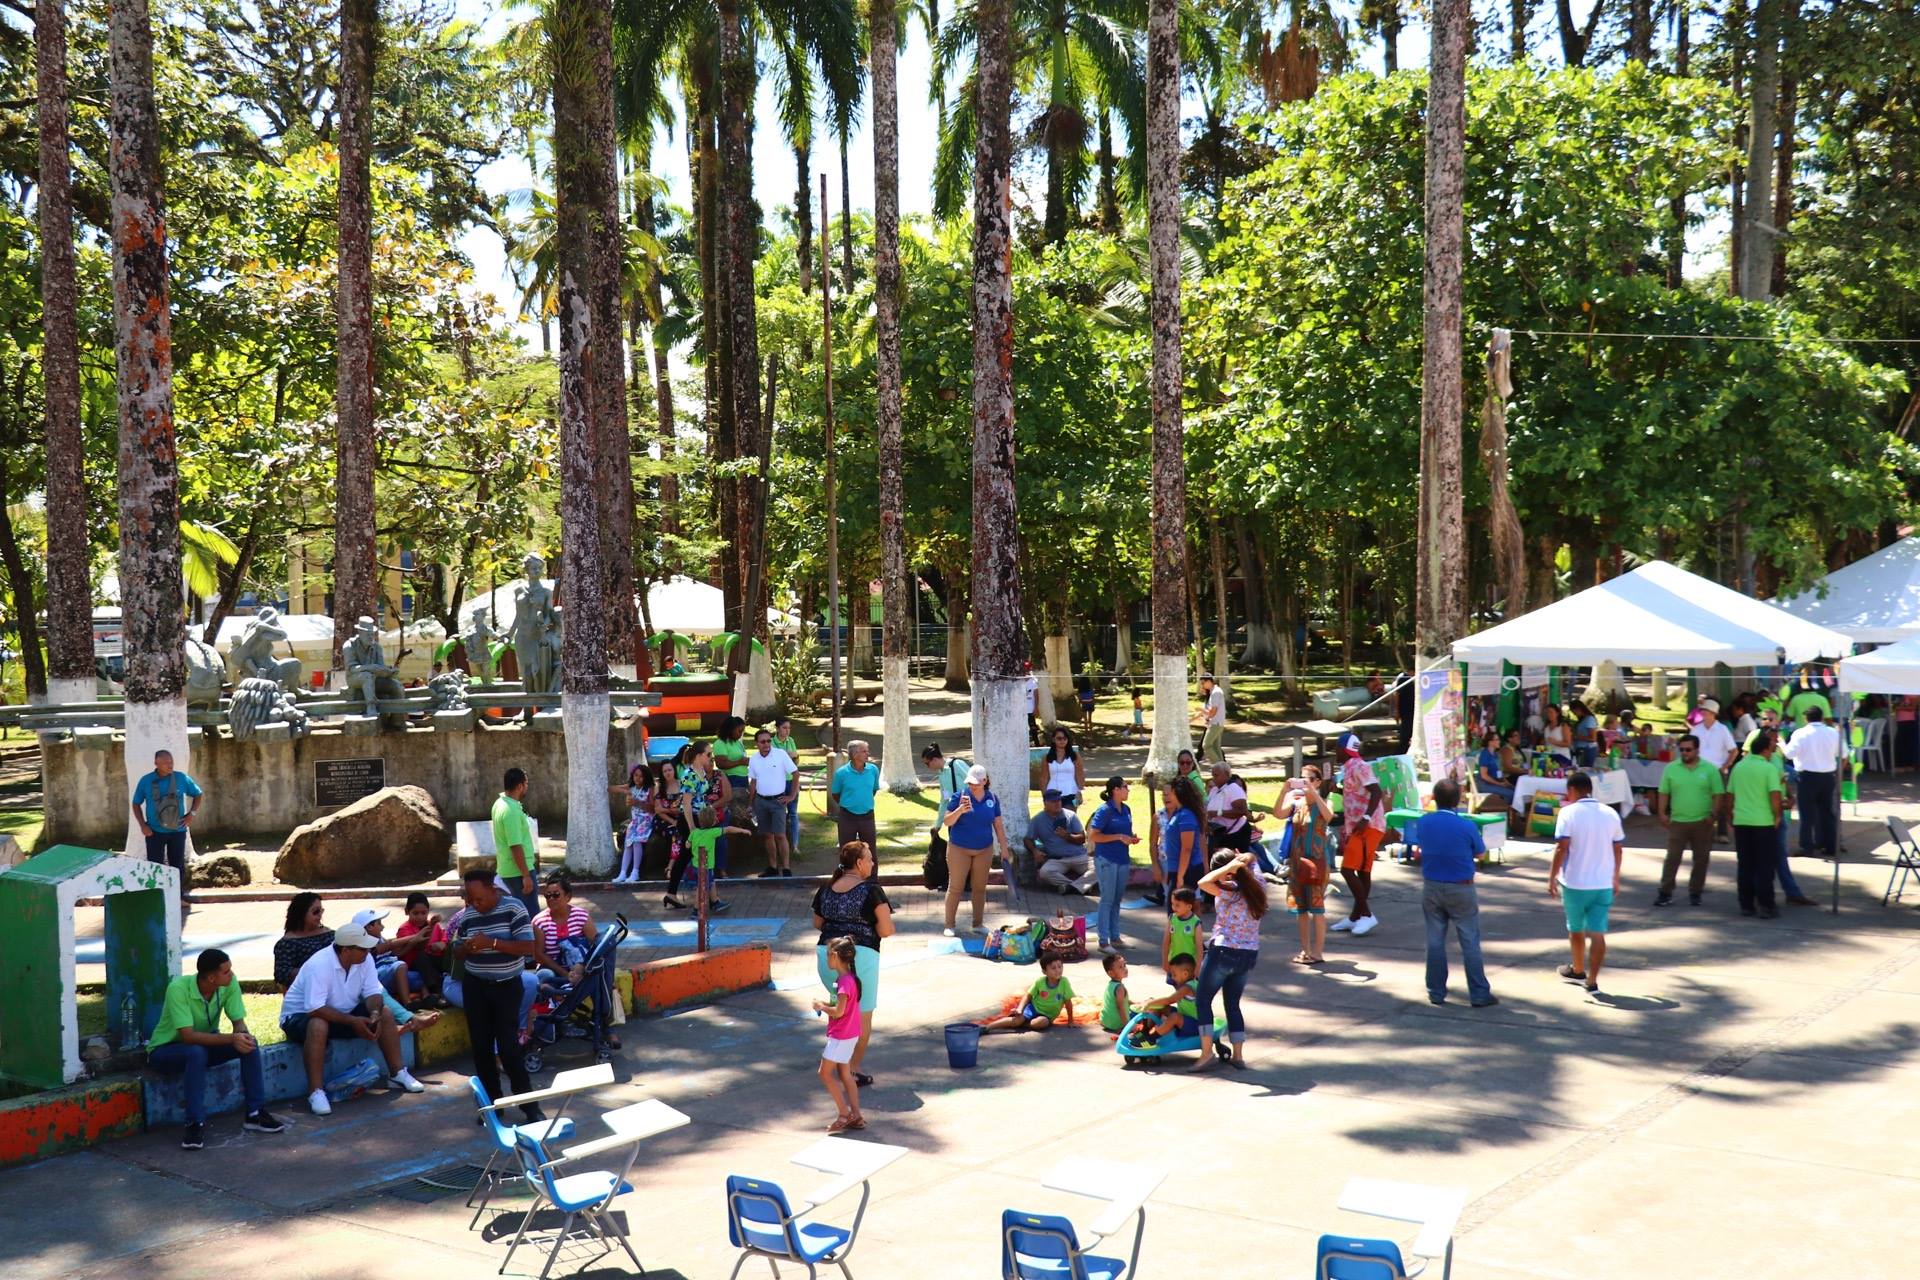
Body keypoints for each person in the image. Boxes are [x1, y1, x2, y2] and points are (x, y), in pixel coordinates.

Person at [147, 947, 287, 1150]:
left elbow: (238, 1021)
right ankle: (194, 1123)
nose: (231, 974)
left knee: (250, 1044)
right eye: (226, 971)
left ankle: (255, 1113)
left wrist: (242, 1036)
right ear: (211, 978)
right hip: (166, 1051)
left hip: (202, 1046)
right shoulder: (178, 989)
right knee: (196, 1052)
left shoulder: (229, 984)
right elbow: (188, 1036)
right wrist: (232, 1038)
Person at [279, 922, 423, 1117]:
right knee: (318, 1024)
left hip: (340, 1013)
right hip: (300, 1017)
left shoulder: (365, 960)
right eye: (363, 947)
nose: (368, 950)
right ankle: (316, 1092)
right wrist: (352, 1021)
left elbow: (373, 993)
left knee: (386, 1013)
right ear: (346, 950)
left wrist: (373, 1014)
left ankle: (397, 1073)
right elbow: (314, 1009)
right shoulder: (319, 964)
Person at [448, 868, 545, 1123]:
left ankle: (529, 1105)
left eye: (479, 898)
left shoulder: (514, 909)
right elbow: (458, 949)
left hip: (506, 986)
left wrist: (491, 943)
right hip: (476, 986)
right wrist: (462, 948)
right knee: (481, 1049)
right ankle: (492, 1106)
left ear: (493, 889)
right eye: (470, 899)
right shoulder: (468, 915)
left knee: (509, 1048)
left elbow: (527, 947)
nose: (474, 904)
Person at [811, 841, 894, 1087]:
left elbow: (818, 923)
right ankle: (851, 1070)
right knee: (861, 1018)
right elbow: (886, 930)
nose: (872, 863)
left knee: (840, 1013)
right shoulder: (871, 891)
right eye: (869, 859)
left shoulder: (826, 889)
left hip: (827, 958)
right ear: (859, 864)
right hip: (859, 960)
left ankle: (835, 1060)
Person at [1418, 780, 1497, 1008]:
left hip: (1431, 885)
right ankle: (1479, 993)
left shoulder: (1424, 823)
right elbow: (1481, 854)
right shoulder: (1466, 826)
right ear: (1458, 799)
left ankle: (1435, 991)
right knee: (1469, 940)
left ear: (1434, 798)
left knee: (1434, 940)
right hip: (1461, 886)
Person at [1549, 771, 1624, 996]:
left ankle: (1578, 967)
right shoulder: (1610, 813)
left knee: (1576, 928)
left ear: (1572, 790)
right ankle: (1592, 980)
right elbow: (1618, 848)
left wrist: (1552, 876)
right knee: (1598, 932)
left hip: (1575, 881)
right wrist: (1615, 876)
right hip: (1603, 883)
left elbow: (1562, 847)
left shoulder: (1568, 813)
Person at [1192, 850, 1265, 1071]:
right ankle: (1238, 1055)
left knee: (1203, 1000)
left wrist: (1227, 867)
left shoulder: (1229, 891)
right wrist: (1242, 859)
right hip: (1248, 953)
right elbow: (1253, 859)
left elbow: (1203, 882)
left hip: (1224, 951)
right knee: (1232, 1004)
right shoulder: (1259, 884)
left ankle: (1206, 1054)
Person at [1655, 733, 1724, 907]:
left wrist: (1713, 815)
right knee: (1672, 858)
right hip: (1677, 822)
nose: (1685, 753)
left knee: (1701, 859)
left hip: (1703, 822)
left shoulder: (1709, 769)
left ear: (1697, 750)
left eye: (1688, 750)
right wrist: (1662, 813)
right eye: (1682, 750)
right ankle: (1665, 892)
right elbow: (1664, 792)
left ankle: (1695, 892)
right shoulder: (1671, 768)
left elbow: (1718, 794)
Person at [131, 749, 201, 919]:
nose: (170, 765)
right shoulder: (146, 781)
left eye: (171, 762)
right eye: (166, 763)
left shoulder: (181, 778)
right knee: (155, 866)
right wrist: (143, 826)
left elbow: (198, 794)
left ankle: (177, 897)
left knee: (177, 865)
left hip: (177, 831)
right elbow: (136, 803)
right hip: (154, 831)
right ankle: (156, 898)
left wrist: (191, 814)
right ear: (156, 763)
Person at [941, 764, 1010, 936]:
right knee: (955, 887)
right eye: (970, 783)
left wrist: (1004, 848)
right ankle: (949, 925)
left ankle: (977, 924)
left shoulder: (992, 798)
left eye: (976, 783)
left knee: (979, 888)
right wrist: (960, 810)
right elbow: (947, 821)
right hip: (959, 848)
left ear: (985, 781)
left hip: (984, 849)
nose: (972, 786)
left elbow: (998, 825)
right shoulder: (960, 796)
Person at [1728, 732, 1785, 918]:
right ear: (1765, 749)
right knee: (1764, 865)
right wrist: (1777, 816)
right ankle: (1766, 905)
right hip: (1763, 822)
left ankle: (1746, 904)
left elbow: (1730, 795)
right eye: (1771, 749)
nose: (1772, 753)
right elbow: (1775, 796)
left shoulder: (1739, 767)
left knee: (1745, 865)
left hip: (1742, 822)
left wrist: (1731, 816)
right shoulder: (1769, 769)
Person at [812, 936, 866, 1133]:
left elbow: (839, 1012)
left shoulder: (843, 982)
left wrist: (821, 1007)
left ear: (835, 956)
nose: (827, 959)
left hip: (841, 1036)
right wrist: (826, 1004)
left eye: (828, 955)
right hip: (850, 1034)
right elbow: (839, 1006)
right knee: (845, 1074)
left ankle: (844, 1113)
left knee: (825, 1073)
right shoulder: (848, 980)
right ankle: (856, 1115)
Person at [1334, 734, 1385, 937]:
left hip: (1368, 825)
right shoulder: (1349, 768)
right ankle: (1355, 917)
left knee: (1347, 870)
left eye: (1336, 748)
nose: (1334, 752)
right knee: (1363, 871)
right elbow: (1356, 792)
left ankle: (1366, 914)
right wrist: (1337, 790)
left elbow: (1376, 792)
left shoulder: (1359, 766)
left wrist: (1365, 818)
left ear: (1344, 749)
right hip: (1359, 826)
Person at [1280, 775, 1332, 965]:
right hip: (1297, 864)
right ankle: (1305, 950)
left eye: (1309, 779)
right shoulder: (1296, 803)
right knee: (1301, 909)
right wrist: (1284, 790)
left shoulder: (1324, 802)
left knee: (1317, 909)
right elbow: (1277, 813)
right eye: (1301, 779)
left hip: (1317, 864)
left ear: (1318, 782)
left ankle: (1317, 953)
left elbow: (1328, 816)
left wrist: (1314, 793)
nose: (1304, 783)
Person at [1086, 777, 1140, 952]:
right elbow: (1094, 835)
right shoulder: (1104, 810)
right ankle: (1103, 940)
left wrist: (1131, 838)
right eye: (1125, 787)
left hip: (1122, 859)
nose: (1128, 790)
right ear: (1115, 790)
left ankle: (1115, 937)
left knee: (1117, 900)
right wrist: (1117, 837)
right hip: (1106, 860)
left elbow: (1125, 833)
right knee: (1107, 899)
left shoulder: (1127, 810)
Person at [1785, 706, 1842, 861]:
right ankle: (1830, 845)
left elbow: (1789, 753)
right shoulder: (1832, 732)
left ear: (1806, 719)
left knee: (1807, 814)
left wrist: (1782, 745)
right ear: (1821, 717)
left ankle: (1807, 846)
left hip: (1807, 777)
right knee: (1827, 812)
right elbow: (1841, 753)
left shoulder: (1800, 733)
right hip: (1828, 776)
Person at [747, 728, 799, 877]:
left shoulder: (780, 754)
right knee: (768, 835)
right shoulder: (754, 759)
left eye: (769, 740)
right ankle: (773, 867)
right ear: (756, 743)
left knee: (780, 835)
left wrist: (791, 796)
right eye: (763, 741)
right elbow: (753, 782)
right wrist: (751, 803)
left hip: (778, 801)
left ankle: (787, 868)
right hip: (761, 801)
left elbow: (796, 774)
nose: (766, 744)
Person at [1027, 789, 1097, 895]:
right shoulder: (1038, 820)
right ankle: (1079, 886)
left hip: (1078, 856)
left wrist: (1068, 836)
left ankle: (1070, 888)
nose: (1057, 804)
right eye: (1054, 802)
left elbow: (1082, 838)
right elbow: (1028, 839)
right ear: (1045, 803)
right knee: (1045, 873)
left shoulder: (1071, 816)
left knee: (1102, 867)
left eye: (1059, 801)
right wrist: (1035, 851)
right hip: (1057, 859)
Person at [982, 954, 1075, 1033]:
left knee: (1041, 1023)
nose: (1058, 970)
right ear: (1044, 971)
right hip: (1032, 1008)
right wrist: (1020, 1009)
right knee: (1017, 1020)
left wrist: (1070, 1020)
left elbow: (1068, 1003)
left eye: (1060, 966)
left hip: (1047, 1016)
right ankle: (987, 1027)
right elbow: (1028, 996)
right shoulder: (1040, 982)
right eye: (1053, 968)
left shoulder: (1064, 982)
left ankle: (1024, 1025)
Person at [492, 767, 539, 917]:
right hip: (518, 872)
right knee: (530, 916)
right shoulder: (510, 810)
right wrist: (525, 875)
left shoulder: (500, 803)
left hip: (510, 869)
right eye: (526, 784)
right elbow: (515, 846)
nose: (527, 787)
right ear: (519, 786)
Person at [1125, 954, 1198, 1047]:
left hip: (1195, 1025)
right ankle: (1145, 1031)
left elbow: (1170, 1000)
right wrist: (1152, 1002)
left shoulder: (1188, 988)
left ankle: (1152, 1038)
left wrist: (1149, 1003)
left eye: (1174, 974)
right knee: (1160, 1006)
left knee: (1174, 1016)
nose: (1172, 977)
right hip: (1185, 1018)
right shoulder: (1185, 984)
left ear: (1185, 974)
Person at [922, 743, 971, 870]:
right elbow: (944, 800)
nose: (927, 767)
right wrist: (938, 825)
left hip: (968, 814)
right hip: (953, 817)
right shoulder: (942, 774)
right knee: (955, 851)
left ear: (934, 759)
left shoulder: (956, 764)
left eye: (927, 763)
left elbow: (973, 783)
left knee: (968, 849)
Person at [274, 893, 334, 991]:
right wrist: (315, 971)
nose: (320, 915)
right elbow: (282, 975)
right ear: (301, 914)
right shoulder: (287, 944)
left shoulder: (330, 935)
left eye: (321, 911)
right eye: (315, 912)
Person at [395, 892, 448, 1001]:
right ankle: (436, 990)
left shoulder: (435, 926)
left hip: (432, 961)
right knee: (421, 956)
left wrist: (442, 945)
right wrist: (430, 928)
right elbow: (419, 946)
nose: (420, 917)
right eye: (415, 913)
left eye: (423, 913)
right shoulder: (404, 929)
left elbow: (444, 939)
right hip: (413, 964)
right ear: (407, 912)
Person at [830, 740, 880, 851]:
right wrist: (849, 803)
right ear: (854, 754)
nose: (868, 754)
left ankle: (872, 869)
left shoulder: (873, 770)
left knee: (870, 851)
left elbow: (873, 790)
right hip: (847, 817)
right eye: (864, 751)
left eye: (867, 751)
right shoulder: (841, 773)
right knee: (847, 852)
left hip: (868, 816)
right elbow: (835, 794)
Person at [1161, 777, 1206, 901]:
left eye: (1171, 793)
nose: (1168, 797)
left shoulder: (1186, 815)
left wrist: (1180, 877)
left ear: (1177, 793)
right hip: (1176, 868)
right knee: (1175, 911)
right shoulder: (1179, 813)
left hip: (1187, 870)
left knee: (1178, 911)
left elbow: (1187, 848)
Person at [712, 716, 753, 829]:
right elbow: (721, 763)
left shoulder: (738, 743)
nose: (741, 734)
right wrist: (740, 761)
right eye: (739, 731)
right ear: (730, 729)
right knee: (734, 813)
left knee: (743, 813)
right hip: (731, 780)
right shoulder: (720, 743)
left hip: (742, 781)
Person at [772, 717, 805, 859]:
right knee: (778, 813)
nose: (787, 731)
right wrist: (789, 756)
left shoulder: (791, 741)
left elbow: (796, 758)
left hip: (791, 780)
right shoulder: (771, 742)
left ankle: (795, 845)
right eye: (784, 728)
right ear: (778, 728)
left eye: (789, 728)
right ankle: (778, 844)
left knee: (793, 813)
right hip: (778, 781)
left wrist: (792, 756)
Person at [1204, 761, 1253, 853]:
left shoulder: (1234, 789)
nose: (1213, 779)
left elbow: (1241, 811)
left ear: (1226, 774)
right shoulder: (1214, 790)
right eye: (1213, 775)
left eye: (1216, 775)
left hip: (1237, 834)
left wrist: (1217, 813)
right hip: (1221, 834)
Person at [1162, 886, 1204, 976]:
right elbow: (1166, 942)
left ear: (1189, 906)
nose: (1173, 907)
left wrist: (1198, 967)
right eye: (1172, 904)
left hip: (1189, 966)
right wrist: (1165, 961)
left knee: (1187, 988)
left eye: (1177, 905)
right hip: (1173, 963)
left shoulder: (1195, 923)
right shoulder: (1172, 919)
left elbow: (1199, 948)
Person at [1041, 727, 1086, 808]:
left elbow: (1080, 775)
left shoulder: (1074, 756)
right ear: (1053, 740)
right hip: (1052, 794)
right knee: (1053, 819)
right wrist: (1044, 796)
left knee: (1071, 817)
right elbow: (1044, 778)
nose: (1062, 741)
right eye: (1059, 738)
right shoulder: (1047, 757)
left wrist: (1080, 792)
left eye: (1065, 738)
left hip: (1072, 792)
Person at [1693, 699, 1738, 772]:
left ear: (1713, 713)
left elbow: (1734, 751)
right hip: (1699, 771)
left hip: (1717, 770)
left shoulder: (1722, 729)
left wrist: (1724, 767)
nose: (1702, 712)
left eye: (1706, 710)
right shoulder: (1696, 729)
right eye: (1702, 710)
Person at [1099, 952, 1134, 1035]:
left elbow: (1125, 1001)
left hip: (1105, 1021)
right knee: (1140, 1016)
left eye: (1125, 965)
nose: (1125, 969)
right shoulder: (1119, 988)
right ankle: (1120, 1027)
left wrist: (1137, 1004)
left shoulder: (1111, 984)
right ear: (1111, 973)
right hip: (1116, 1024)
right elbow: (1120, 1007)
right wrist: (1127, 1026)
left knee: (1135, 1009)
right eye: (1120, 967)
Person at [1197, 674, 1227, 764]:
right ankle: (1223, 769)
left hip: (1215, 723)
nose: (1202, 685)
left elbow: (1213, 712)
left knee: (1206, 745)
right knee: (1215, 747)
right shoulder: (1214, 692)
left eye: (1203, 683)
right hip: (1217, 723)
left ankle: (1219, 766)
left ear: (1209, 681)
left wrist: (1202, 711)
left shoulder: (1215, 693)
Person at [1475, 733, 1514, 801]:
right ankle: (1505, 809)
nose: (1499, 741)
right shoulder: (1485, 754)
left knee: (1515, 790)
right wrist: (1499, 784)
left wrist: (1506, 782)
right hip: (1485, 784)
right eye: (1497, 739)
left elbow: (1499, 771)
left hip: (1493, 782)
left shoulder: (1495, 754)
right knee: (1511, 794)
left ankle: (1507, 809)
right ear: (1490, 742)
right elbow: (1484, 776)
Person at [1570, 699, 1599, 767]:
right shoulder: (1582, 719)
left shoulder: (1589, 719)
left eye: (1574, 711)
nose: (1574, 713)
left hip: (1587, 750)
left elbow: (1593, 738)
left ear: (1578, 709)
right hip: (1580, 749)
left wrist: (1577, 737)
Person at [1025, 662, 1041, 745]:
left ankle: (1036, 744)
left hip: (1030, 709)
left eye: (1028, 669)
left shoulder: (1033, 681)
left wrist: (1036, 708)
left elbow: (1036, 696)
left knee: (1033, 727)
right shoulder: (1018, 680)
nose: (1026, 671)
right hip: (1021, 709)